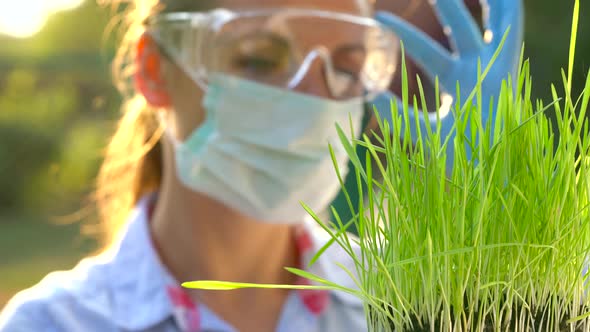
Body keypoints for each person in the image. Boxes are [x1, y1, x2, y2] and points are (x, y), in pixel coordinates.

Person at [0, 0, 523, 332]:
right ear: (156, 70)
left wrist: (510, 223)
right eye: (259, 58)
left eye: (345, 67)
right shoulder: (54, 324)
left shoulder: (407, 299)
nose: (314, 101)